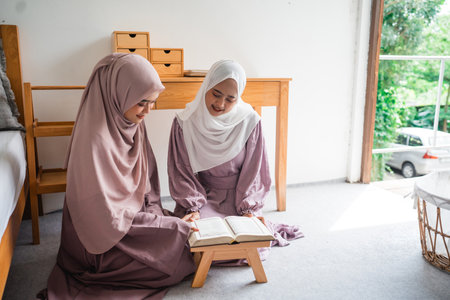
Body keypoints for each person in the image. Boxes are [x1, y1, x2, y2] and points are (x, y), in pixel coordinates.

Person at [43, 53, 196, 299]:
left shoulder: (133, 123)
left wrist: (156, 218)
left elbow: (148, 189)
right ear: (117, 94)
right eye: (142, 102)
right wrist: (163, 227)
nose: (148, 110)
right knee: (174, 260)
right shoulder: (93, 142)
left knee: (181, 241)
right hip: (100, 240)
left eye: (153, 102)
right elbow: (103, 218)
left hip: (127, 220)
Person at [167, 60, 303, 260]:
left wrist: (249, 209)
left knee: (246, 245)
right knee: (195, 241)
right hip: (202, 197)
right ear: (207, 86)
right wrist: (193, 207)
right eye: (216, 94)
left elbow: (255, 171)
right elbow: (180, 171)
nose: (220, 104)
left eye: (230, 99)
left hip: (239, 197)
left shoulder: (250, 122)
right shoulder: (184, 123)